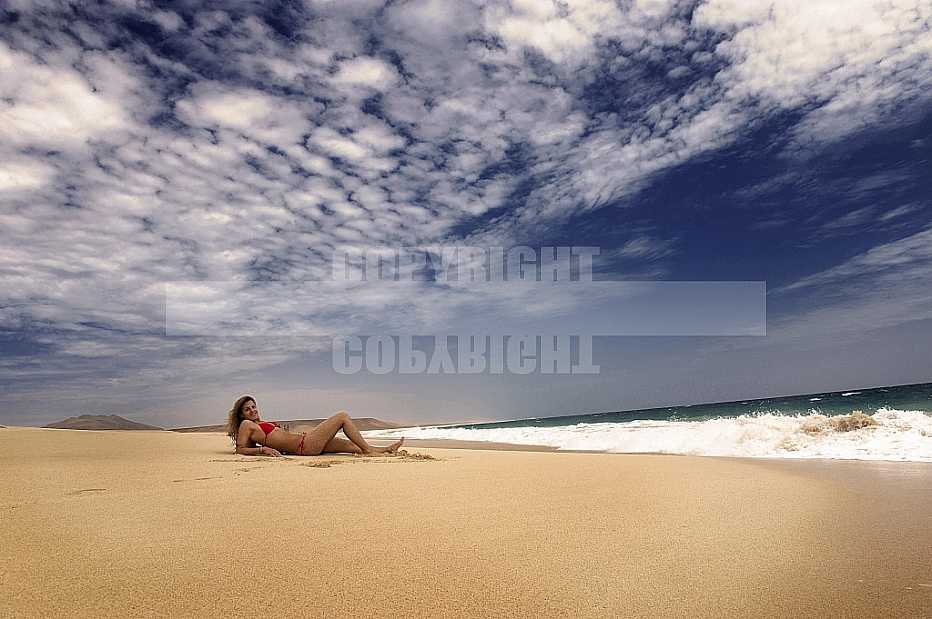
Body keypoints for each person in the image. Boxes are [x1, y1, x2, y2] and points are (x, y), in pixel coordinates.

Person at [226, 394, 404, 457]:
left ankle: (385, 450)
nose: (252, 410)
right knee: (342, 416)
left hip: (305, 441)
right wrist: (262, 450)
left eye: (253, 406)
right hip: (305, 445)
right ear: (241, 414)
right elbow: (240, 449)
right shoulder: (246, 424)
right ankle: (368, 451)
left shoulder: (259, 424)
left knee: (352, 446)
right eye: (247, 409)